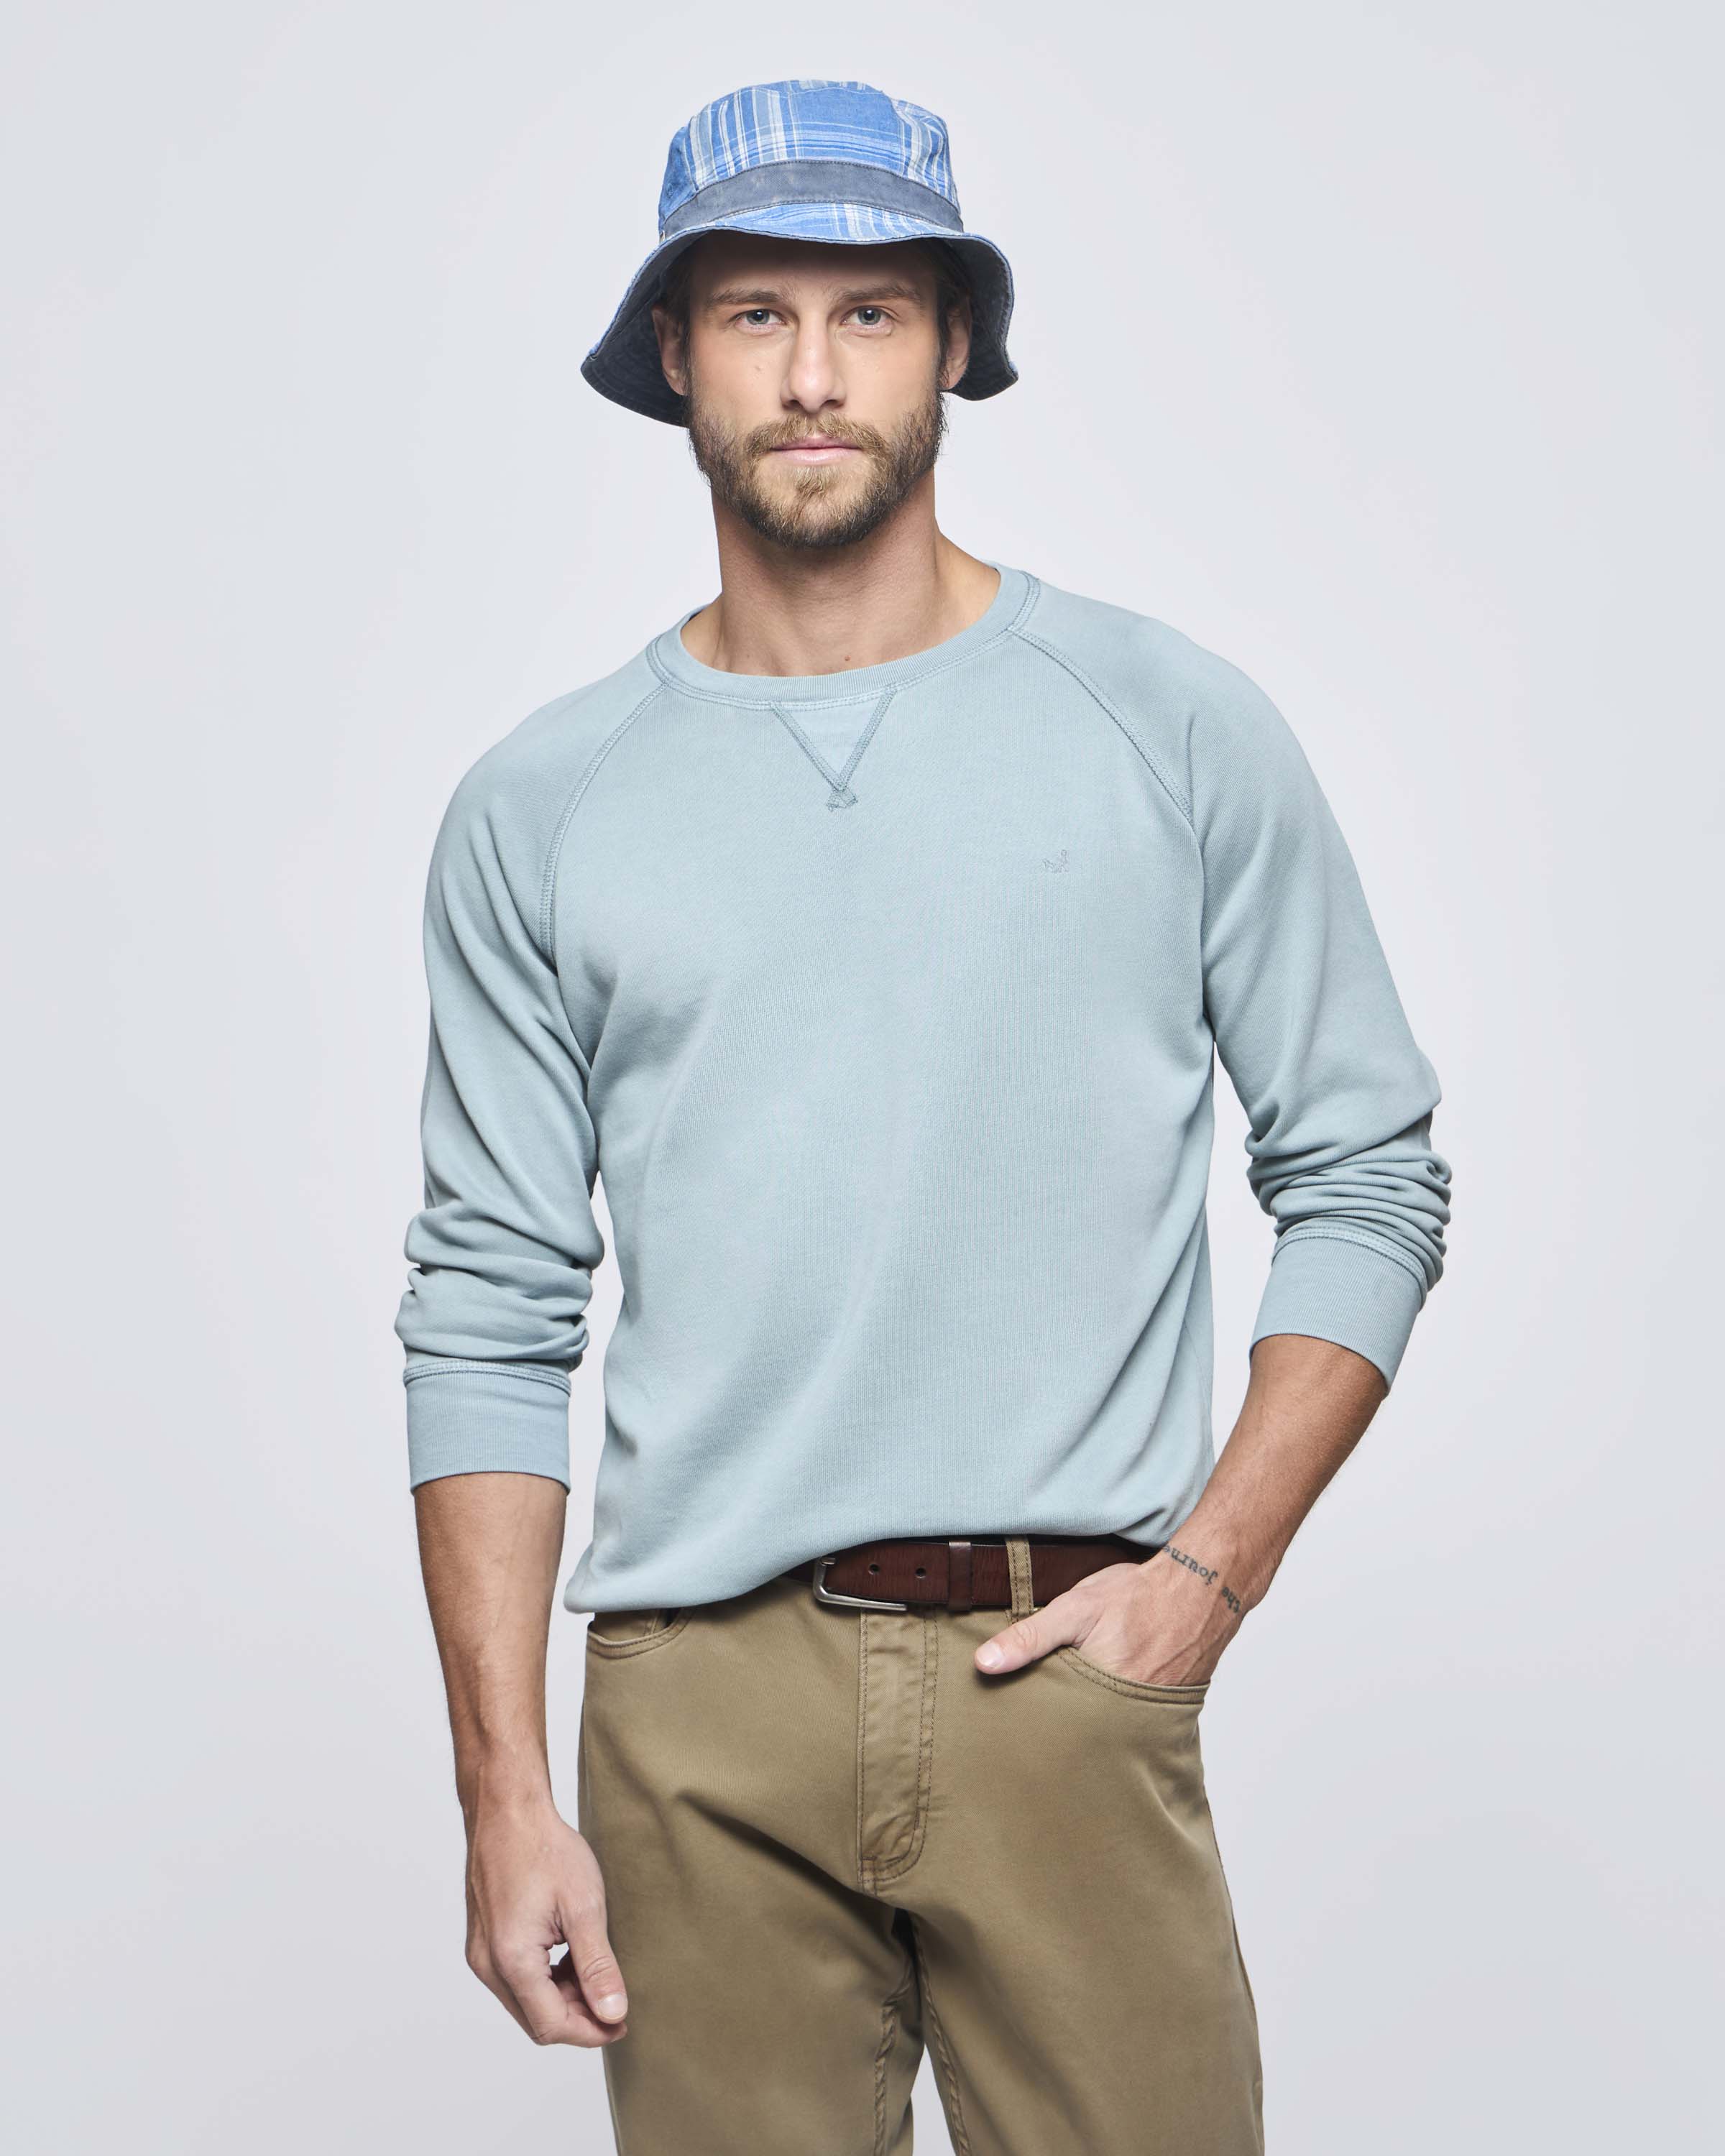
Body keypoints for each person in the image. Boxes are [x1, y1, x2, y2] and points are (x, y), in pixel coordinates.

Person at [393, 76, 1453, 2155]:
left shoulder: (1166, 726)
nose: (813, 375)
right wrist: (503, 1794)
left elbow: (1367, 1172)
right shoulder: (544, 806)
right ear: (676, 354)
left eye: (869, 312)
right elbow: (488, 1307)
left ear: (955, 343)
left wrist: (1207, 1577)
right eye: (758, 314)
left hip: (1060, 1673)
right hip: (693, 1722)